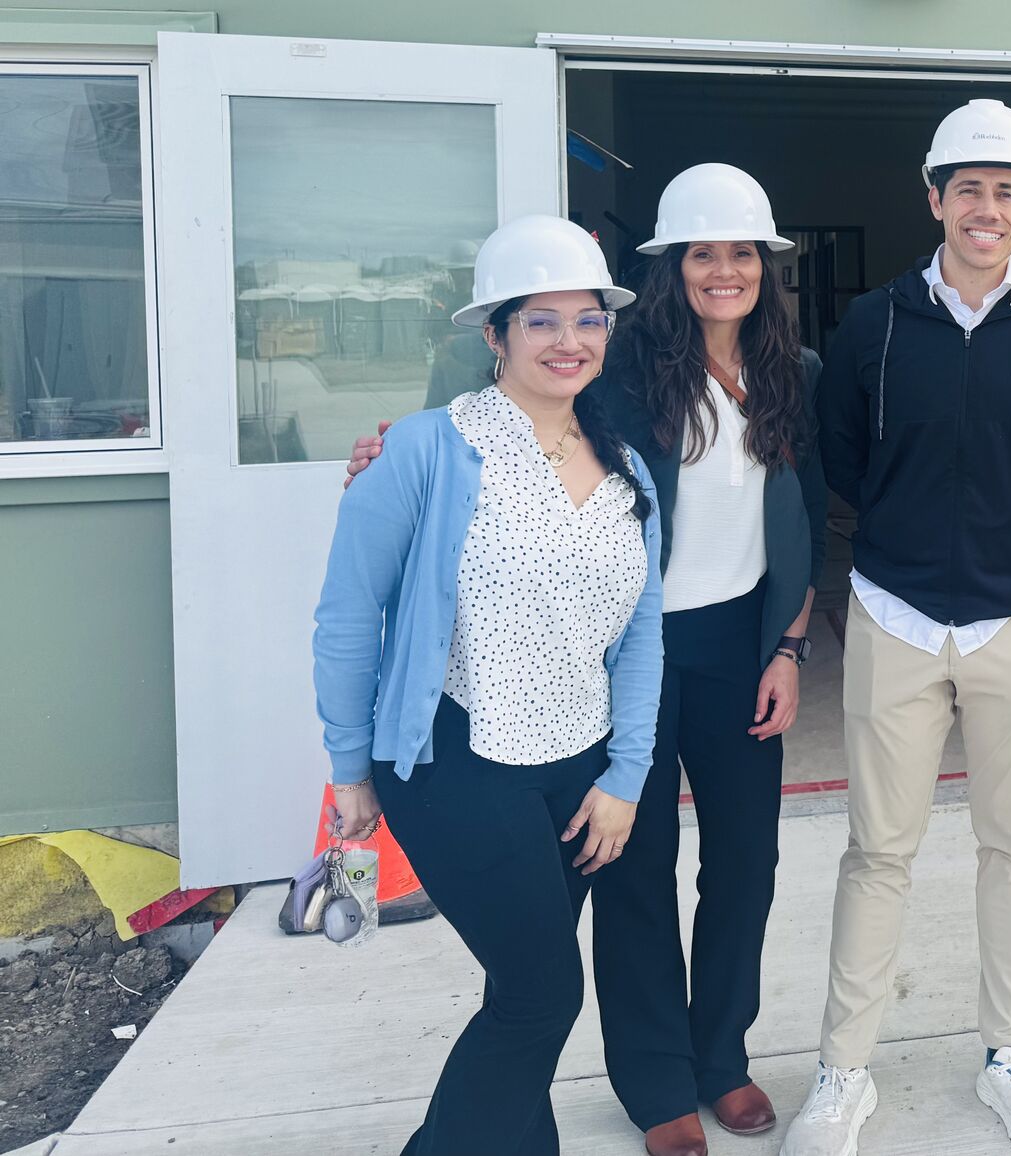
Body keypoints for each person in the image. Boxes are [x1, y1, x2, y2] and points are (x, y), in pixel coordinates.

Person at [346, 163, 827, 1156]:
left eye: (742, 253)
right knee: (635, 867)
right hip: (631, 655)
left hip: (743, 646)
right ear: (671, 267)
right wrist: (395, 453)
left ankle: (721, 1058)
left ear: (764, 267)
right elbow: (509, 410)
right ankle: (655, 1080)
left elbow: (807, 524)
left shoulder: (796, 374)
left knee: (746, 862)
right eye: (703, 253)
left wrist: (788, 646)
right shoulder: (616, 362)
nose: (724, 271)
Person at [786, 98, 1011, 1156]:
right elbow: (841, 455)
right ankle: (842, 1072)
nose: (986, 207)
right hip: (892, 611)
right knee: (875, 849)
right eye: (966, 188)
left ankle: (1010, 1057)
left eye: (1005, 191)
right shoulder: (875, 324)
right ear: (932, 197)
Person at [313, 214, 660, 1156]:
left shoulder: (627, 466)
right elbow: (349, 617)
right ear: (494, 335)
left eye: (588, 321)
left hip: (579, 771)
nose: (569, 341)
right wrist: (350, 768)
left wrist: (625, 775)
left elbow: (639, 637)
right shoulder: (423, 451)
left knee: (520, 993)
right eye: (540, 321)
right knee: (546, 994)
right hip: (459, 761)